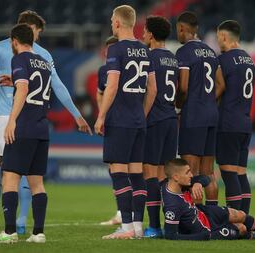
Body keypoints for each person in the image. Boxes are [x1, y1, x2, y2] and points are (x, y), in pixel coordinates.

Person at [0, 10, 91, 235]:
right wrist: (77, 115)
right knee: (33, 177)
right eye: (38, 32)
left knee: (1, 169)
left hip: (12, 117)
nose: (38, 36)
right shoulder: (43, 58)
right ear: (30, 29)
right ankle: (26, 225)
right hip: (39, 122)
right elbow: (55, 86)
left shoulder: (4, 49)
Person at [94, 5, 157, 239]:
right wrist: (142, 113)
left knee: (119, 172)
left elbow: (112, 86)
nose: (111, 23)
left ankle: (127, 227)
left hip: (119, 120)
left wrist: (101, 116)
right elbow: (153, 89)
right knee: (137, 173)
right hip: (138, 121)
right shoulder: (144, 50)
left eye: (112, 20)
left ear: (118, 23)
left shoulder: (116, 50)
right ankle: (138, 227)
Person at [162, 158, 255, 240]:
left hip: (205, 213)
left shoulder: (181, 183)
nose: (191, 175)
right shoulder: (171, 205)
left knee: (240, 214)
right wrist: (200, 237)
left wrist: (198, 183)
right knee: (241, 228)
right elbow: (170, 235)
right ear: (176, 177)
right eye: (187, 172)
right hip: (206, 231)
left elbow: (206, 179)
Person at [175, 11, 223, 206]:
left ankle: (194, 219)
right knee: (208, 173)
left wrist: (178, 105)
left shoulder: (184, 52)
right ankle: (213, 218)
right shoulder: (211, 52)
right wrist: (208, 101)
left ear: (182, 29)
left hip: (193, 115)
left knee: (190, 172)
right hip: (212, 114)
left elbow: (184, 87)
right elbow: (221, 85)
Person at [142, 15, 178, 238]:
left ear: (152, 35)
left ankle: (154, 226)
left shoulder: (149, 57)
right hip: (171, 119)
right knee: (165, 176)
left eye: (145, 31)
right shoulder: (172, 58)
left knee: (150, 174)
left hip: (154, 119)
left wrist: (141, 118)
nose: (143, 35)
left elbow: (150, 90)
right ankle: (169, 223)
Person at [215, 20, 255, 214]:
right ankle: (245, 219)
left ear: (224, 36)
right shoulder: (249, 60)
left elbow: (218, 89)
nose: (217, 43)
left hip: (228, 122)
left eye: (218, 38)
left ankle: (236, 219)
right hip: (245, 123)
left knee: (229, 173)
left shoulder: (224, 60)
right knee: (241, 174)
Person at [97, 35, 123, 226]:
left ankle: (128, 215)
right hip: (112, 123)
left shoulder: (126, 69)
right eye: (107, 50)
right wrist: (102, 114)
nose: (108, 53)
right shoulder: (103, 71)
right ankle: (122, 212)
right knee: (113, 168)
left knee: (125, 169)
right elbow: (100, 93)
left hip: (125, 122)